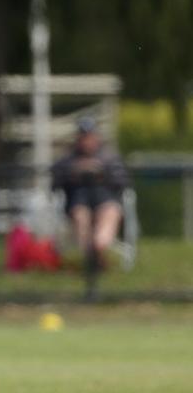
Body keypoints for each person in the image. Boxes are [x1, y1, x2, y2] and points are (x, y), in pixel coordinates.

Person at [51, 117, 131, 299]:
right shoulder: (68, 159)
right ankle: (94, 260)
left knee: (110, 212)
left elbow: (123, 181)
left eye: (89, 136)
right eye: (83, 137)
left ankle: (97, 252)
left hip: (105, 200)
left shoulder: (109, 157)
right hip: (80, 202)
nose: (86, 141)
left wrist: (101, 171)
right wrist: (75, 170)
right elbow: (55, 180)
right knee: (81, 216)